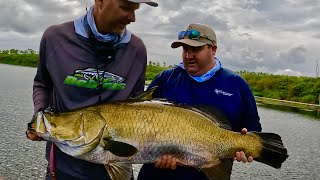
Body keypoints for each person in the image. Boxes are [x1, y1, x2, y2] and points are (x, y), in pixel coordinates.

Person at [26, 0, 158, 179]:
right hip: (64, 169)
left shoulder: (137, 49)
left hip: (115, 168)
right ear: (100, 1)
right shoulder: (55, 38)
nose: (133, 18)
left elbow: (136, 107)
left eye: (135, 10)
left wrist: (163, 147)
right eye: (126, 8)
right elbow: (42, 84)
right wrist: (40, 114)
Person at [138, 23, 262, 180]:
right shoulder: (165, 79)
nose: (189, 55)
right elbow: (141, 123)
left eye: (195, 49)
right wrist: (153, 154)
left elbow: (253, 129)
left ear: (213, 49)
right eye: (185, 49)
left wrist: (243, 146)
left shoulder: (236, 84)